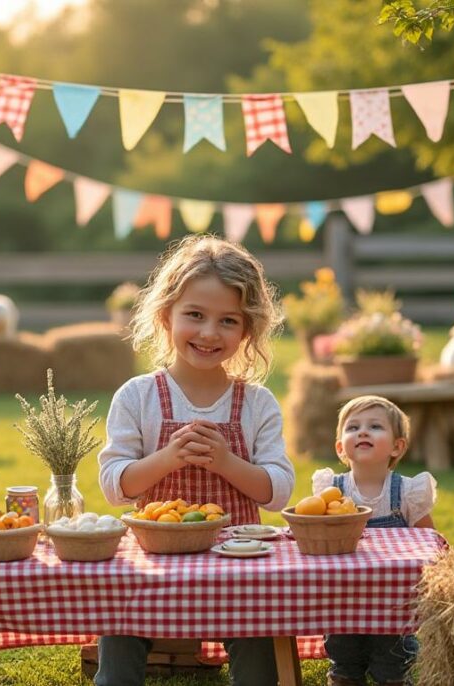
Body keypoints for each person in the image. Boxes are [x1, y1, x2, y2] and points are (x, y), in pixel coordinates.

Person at [96, 234, 294, 686]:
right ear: (166, 316)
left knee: (257, 638)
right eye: (195, 315)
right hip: (155, 559)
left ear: (247, 331)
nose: (209, 333)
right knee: (119, 619)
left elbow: (279, 491)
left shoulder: (257, 403)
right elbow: (114, 484)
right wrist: (167, 458)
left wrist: (226, 462)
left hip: (239, 559)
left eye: (228, 320)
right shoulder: (138, 396)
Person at [312, 395, 437, 686]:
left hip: (392, 597)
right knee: (344, 652)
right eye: (353, 427)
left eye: (375, 427)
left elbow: (428, 540)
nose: (363, 432)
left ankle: (393, 677)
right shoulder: (332, 490)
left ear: (397, 446)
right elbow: (317, 532)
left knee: (390, 659)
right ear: (341, 447)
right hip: (342, 593)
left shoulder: (407, 491)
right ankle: (345, 675)